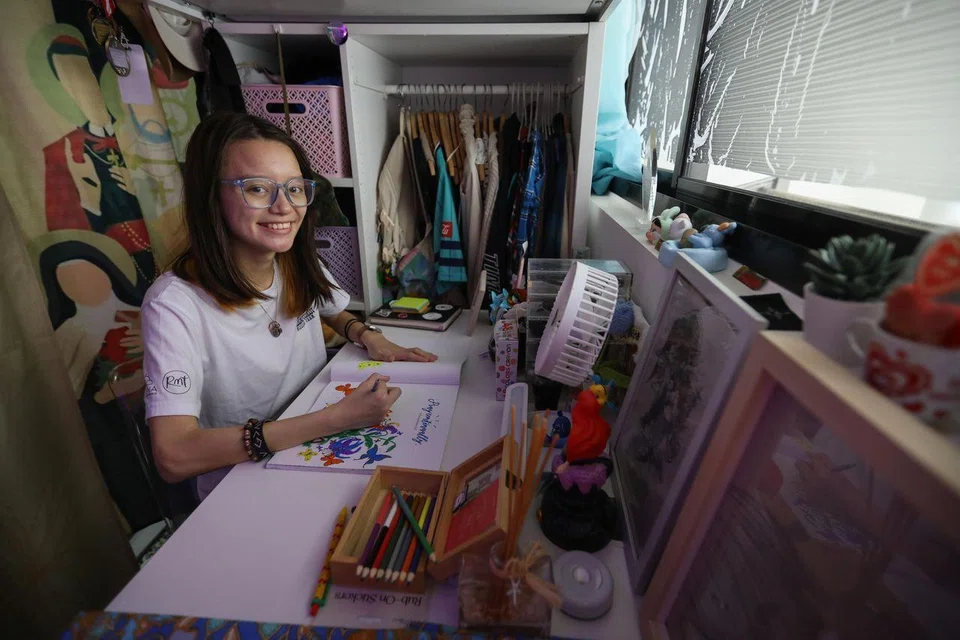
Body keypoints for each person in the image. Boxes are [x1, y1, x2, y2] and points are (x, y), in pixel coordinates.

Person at [142, 112, 436, 499]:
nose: (285, 207)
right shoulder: (173, 305)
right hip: (244, 485)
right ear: (210, 196)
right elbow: (173, 455)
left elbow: (331, 308)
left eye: (295, 188)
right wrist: (333, 419)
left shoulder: (292, 260)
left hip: (318, 449)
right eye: (258, 189)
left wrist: (365, 333)